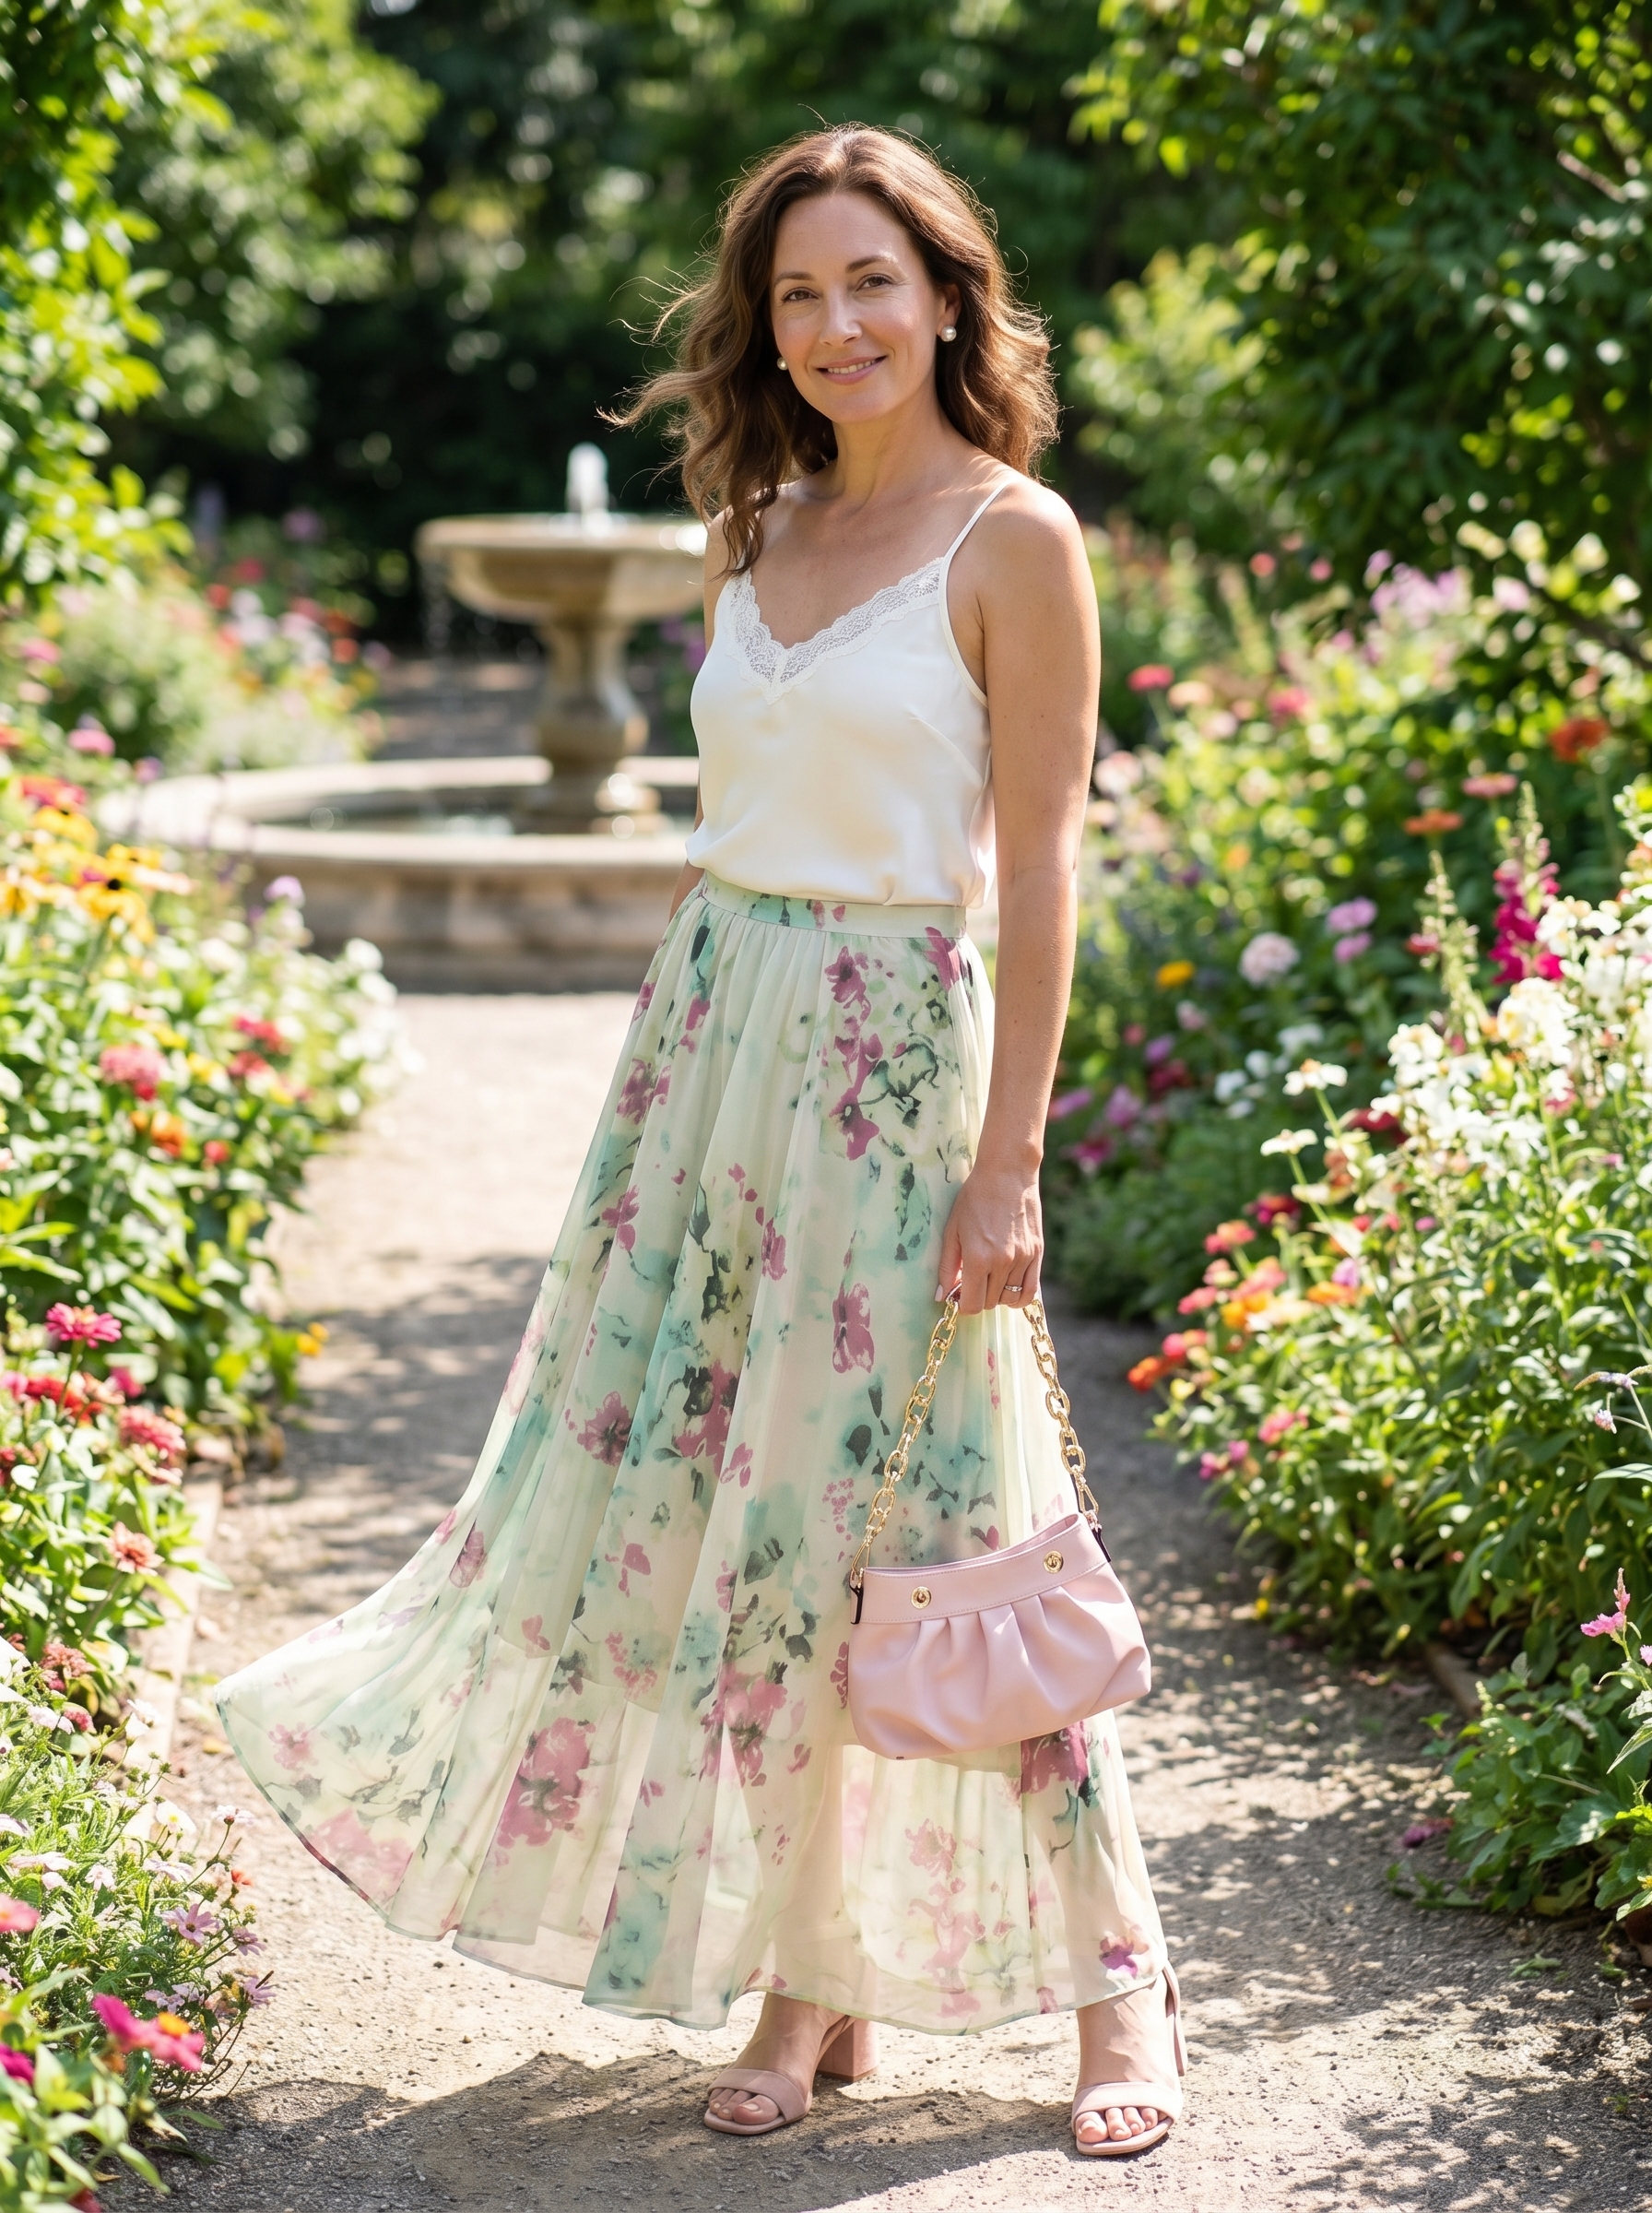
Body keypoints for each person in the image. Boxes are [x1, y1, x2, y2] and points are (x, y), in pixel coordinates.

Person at [214, 124, 1184, 2160]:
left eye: (871, 282)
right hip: (713, 1069)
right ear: (766, 323)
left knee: (945, 1535)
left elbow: (1037, 882)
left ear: (945, 295)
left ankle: (1117, 1997)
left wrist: (1008, 1166)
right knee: (742, 1547)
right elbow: (733, 836)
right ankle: (806, 1982)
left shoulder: (1016, 539)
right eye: (798, 292)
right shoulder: (746, 529)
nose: (835, 324)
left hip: (897, 1076)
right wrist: (670, 1112)